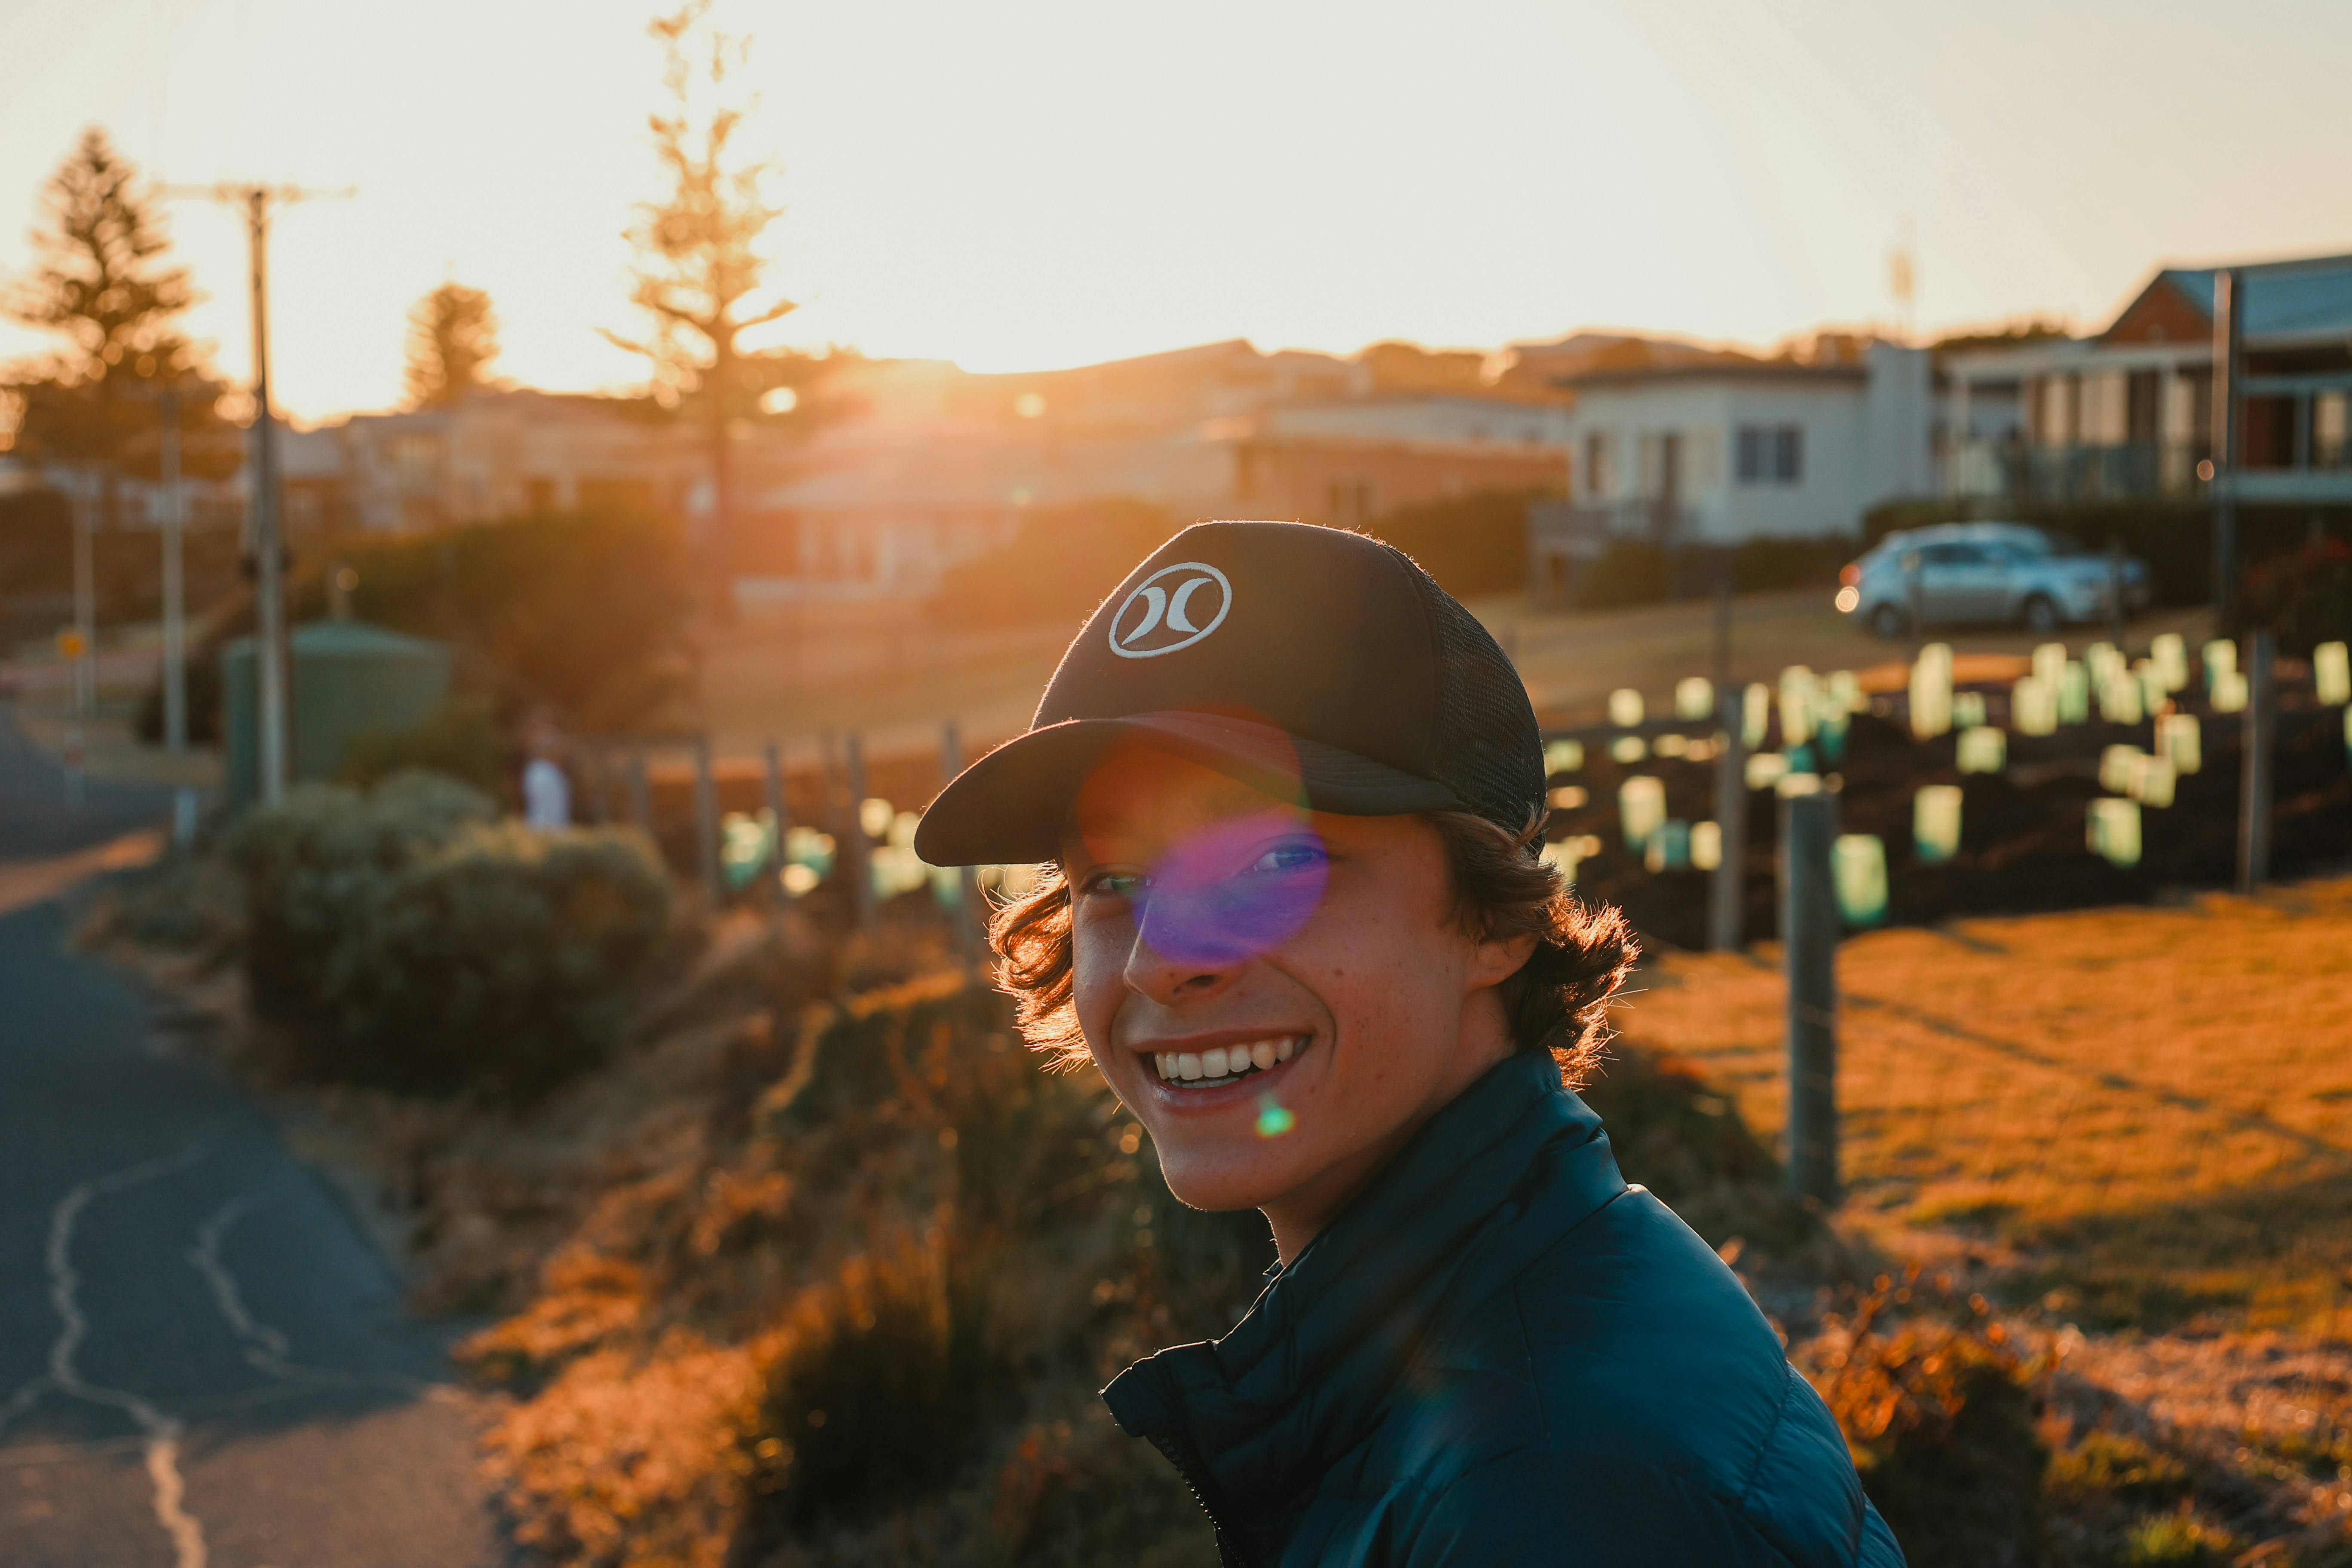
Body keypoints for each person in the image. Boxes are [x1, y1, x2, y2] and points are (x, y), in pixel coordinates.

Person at [916, 521, 1902, 1567]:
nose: (1161, 960)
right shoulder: (1538, 1291)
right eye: (1111, 881)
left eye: (1274, 863)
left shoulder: (1551, 1499)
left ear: (1495, 918)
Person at [521, 711, 572, 832]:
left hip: (553, 830)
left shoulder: (552, 770)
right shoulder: (541, 771)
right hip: (545, 831)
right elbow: (545, 806)